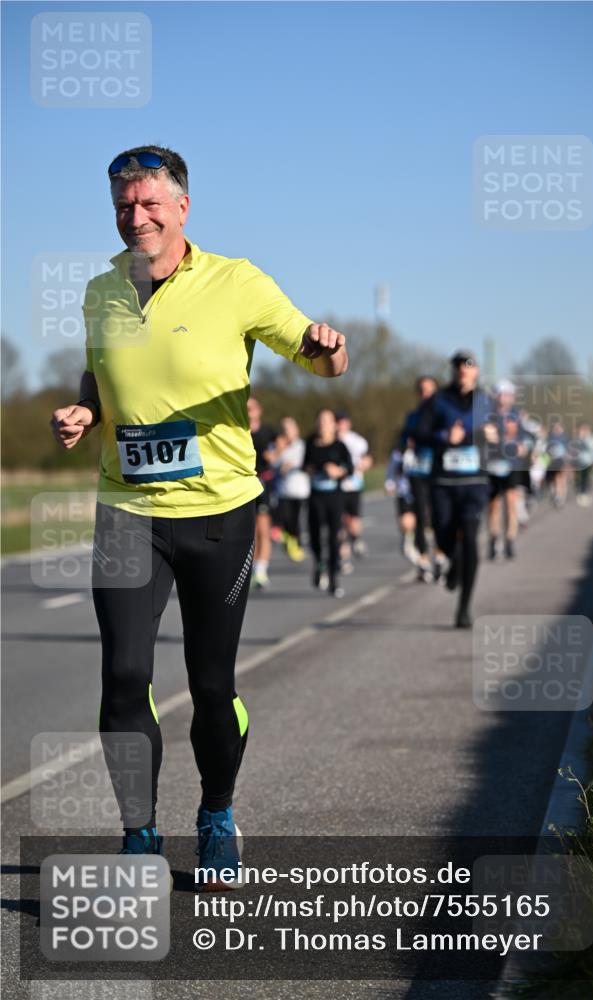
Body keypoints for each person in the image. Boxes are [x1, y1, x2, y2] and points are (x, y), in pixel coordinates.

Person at [49, 145, 348, 886]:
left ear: (182, 207)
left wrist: (327, 350)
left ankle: (216, 815)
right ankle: (138, 831)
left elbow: (314, 355)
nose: (136, 217)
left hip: (219, 511)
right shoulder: (100, 290)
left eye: (150, 203)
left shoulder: (235, 281)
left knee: (211, 684)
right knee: (122, 675)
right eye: (123, 205)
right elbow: (103, 367)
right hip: (127, 508)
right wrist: (88, 407)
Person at [414, 350, 496, 628]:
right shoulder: (438, 401)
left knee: (471, 537)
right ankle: (454, 561)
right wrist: (444, 436)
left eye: (469, 364)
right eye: (458, 364)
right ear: (452, 369)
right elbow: (419, 433)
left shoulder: (486, 402)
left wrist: (493, 436)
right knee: (445, 537)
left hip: (474, 483)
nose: (463, 368)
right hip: (444, 483)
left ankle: (464, 608)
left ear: (476, 370)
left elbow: (501, 431)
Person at [304, 408, 353, 598]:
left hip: (335, 495)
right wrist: (314, 469)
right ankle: (319, 563)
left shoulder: (340, 446)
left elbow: (350, 468)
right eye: (320, 420)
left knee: (333, 538)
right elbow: (304, 466)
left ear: (334, 425)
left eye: (327, 420)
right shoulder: (310, 443)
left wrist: (337, 471)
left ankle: (334, 579)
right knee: (315, 535)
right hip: (316, 495)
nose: (322, 424)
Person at [486, 380, 531, 559]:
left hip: (512, 466)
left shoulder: (518, 416)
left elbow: (528, 437)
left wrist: (524, 446)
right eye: (501, 394)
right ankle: (494, 540)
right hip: (493, 466)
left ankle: (510, 540)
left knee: (511, 503)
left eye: (507, 395)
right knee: (494, 505)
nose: (504, 398)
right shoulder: (487, 416)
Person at [401, 376, 440, 582]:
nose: (425, 395)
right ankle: (423, 560)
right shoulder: (413, 416)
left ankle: (441, 556)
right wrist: (405, 445)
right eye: (422, 391)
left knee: (439, 516)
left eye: (429, 391)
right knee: (420, 514)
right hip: (418, 472)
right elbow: (401, 441)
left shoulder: (442, 416)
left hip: (439, 471)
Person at [336, 411, 372, 570]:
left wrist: (364, 464)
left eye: (343, 422)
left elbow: (367, 458)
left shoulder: (357, 441)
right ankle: (344, 557)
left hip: (354, 485)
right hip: (337, 487)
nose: (340, 425)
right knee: (340, 522)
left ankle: (356, 539)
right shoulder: (332, 440)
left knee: (353, 521)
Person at [247, 396, 276, 589]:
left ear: (259, 411)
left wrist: (275, 456)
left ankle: (261, 571)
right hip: (242, 485)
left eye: (252, 408)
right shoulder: (236, 431)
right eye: (246, 408)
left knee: (263, 529)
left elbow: (278, 453)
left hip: (263, 483)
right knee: (248, 531)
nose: (249, 412)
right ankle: (249, 569)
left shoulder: (267, 432)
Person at [272, 416, 309, 562]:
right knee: (283, 521)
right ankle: (289, 543)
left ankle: (296, 545)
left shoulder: (302, 446)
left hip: (300, 491)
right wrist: (279, 456)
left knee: (295, 522)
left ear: (296, 430)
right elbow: (272, 464)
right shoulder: (279, 446)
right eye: (284, 429)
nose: (287, 432)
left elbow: (306, 463)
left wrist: (291, 465)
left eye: (290, 429)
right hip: (283, 491)